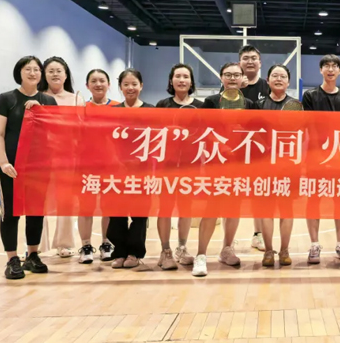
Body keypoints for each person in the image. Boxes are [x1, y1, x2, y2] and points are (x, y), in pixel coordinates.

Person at [0, 56, 57, 279]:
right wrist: (3, 162)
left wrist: (41, 111)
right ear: (19, 72)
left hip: (39, 166)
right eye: (27, 69)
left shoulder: (48, 101)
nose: (32, 73)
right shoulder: (7, 99)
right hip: (12, 167)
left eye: (36, 69)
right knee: (10, 213)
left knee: (36, 212)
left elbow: (55, 131)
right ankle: (12, 259)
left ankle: (33, 255)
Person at [194, 62, 258, 277]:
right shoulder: (211, 102)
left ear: (242, 78)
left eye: (236, 75)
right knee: (211, 209)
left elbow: (255, 132)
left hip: (239, 163)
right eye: (228, 74)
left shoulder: (249, 104)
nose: (232, 78)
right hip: (216, 162)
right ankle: (201, 255)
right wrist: (220, 143)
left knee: (233, 208)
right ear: (221, 77)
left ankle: (227, 249)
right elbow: (202, 129)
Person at [302, 54, 340, 264]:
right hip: (315, 156)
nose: (330, 69)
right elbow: (310, 124)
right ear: (321, 70)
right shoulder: (310, 95)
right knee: (313, 199)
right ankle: (314, 244)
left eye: (334, 66)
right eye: (326, 66)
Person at [155, 64, 203, 270]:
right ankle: (165, 250)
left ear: (191, 81)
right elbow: (155, 134)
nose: (182, 80)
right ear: (171, 80)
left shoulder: (201, 106)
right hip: (166, 165)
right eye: (178, 76)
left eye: (186, 76)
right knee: (165, 207)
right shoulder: (162, 105)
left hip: (190, 165)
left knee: (186, 208)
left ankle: (182, 248)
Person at [38, 57, 85, 260]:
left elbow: (83, 129)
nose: (55, 74)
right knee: (37, 201)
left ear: (66, 75)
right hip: (41, 156)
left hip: (68, 156)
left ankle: (64, 243)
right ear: (44, 75)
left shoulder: (76, 99)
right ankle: (35, 244)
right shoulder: (37, 97)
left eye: (59, 70)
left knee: (65, 200)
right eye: (50, 71)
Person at [107, 68, 154, 269]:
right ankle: (119, 252)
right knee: (117, 212)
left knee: (139, 214)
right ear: (120, 87)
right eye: (126, 84)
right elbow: (107, 140)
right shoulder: (114, 112)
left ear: (141, 86)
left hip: (143, 170)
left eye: (134, 84)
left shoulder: (151, 110)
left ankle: (134, 253)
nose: (130, 88)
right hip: (118, 170)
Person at [256, 64, 296, 267]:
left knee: (287, 210)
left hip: (288, 166)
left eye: (283, 76)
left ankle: (284, 250)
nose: (279, 79)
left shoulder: (295, 105)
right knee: (266, 210)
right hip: (264, 166)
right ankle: (269, 251)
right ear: (268, 80)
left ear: (288, 82)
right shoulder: (259, 104)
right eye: (275, 76)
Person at [79, 69, 119, 264]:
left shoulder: (118, 107)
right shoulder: (81, 109)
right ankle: (86, 245)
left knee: (108, 207)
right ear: (87, 86)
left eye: (102, 80)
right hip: (86, 167)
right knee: (85, 208)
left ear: (109, 84)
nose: (98, 84)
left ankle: (106, 243)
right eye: (93, 81)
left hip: (112, 167)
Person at [233, 44, 270, 252]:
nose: (249, 61)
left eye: (253, 58)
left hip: (260, 150)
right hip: (236, 149)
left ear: (260, 62)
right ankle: (229, 239)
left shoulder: (268, 86)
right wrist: (238, 88)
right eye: (245, 58)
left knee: (259, 194)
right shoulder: (232, 86)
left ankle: (258, 234)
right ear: (240, 62)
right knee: (233, 194)